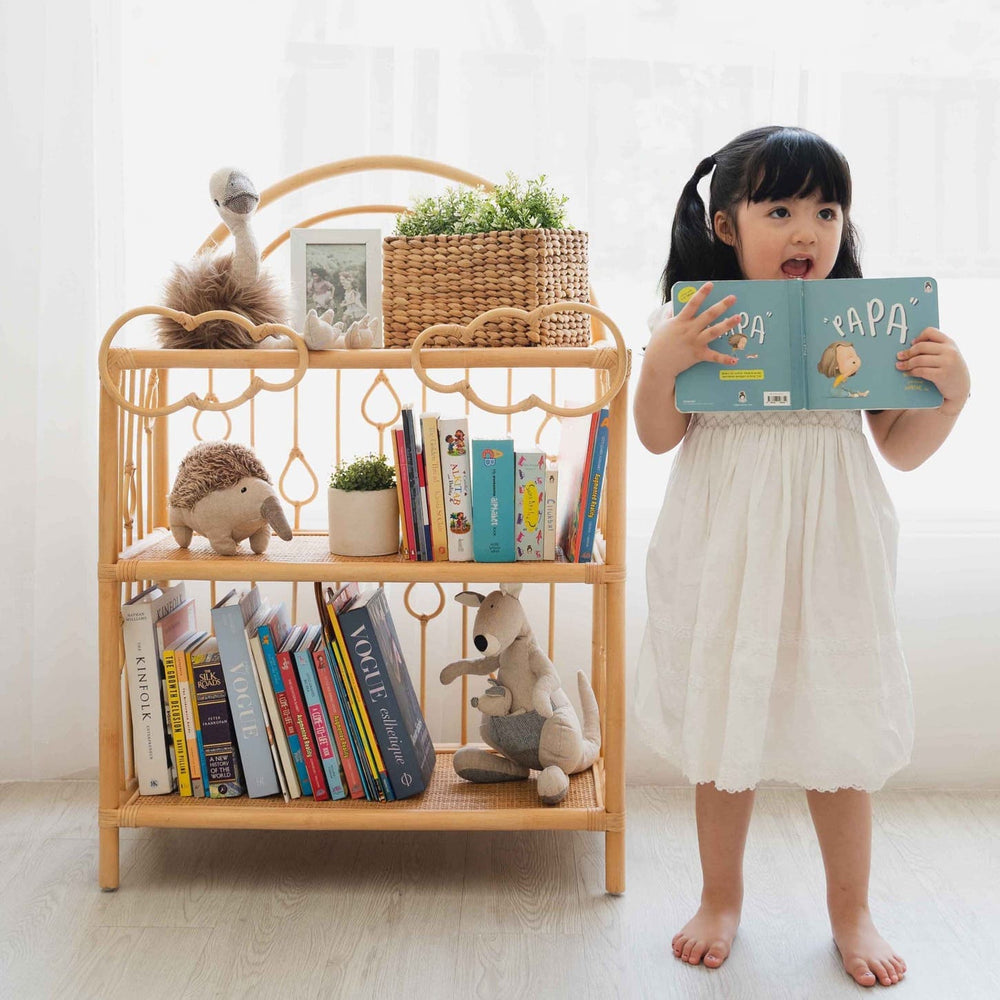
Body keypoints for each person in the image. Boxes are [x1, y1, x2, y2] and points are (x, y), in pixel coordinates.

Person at [632, 126, 970, 988]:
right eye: (778, 208)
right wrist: (660, 368)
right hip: (727, 544)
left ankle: (850, 909)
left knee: (840, 726)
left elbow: (901, 448)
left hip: (833, 549)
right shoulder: (693, 318)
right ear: (725, 224)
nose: (807, 230)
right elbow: (657, 436)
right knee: (725, 725)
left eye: (826, 210)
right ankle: (720, 896)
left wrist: (951, 394)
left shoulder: (857, 321)